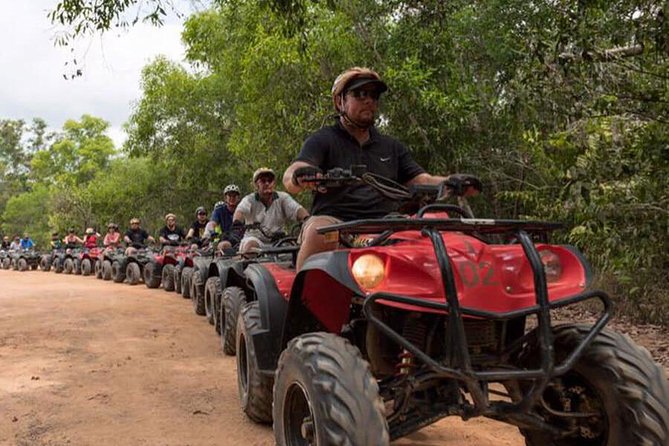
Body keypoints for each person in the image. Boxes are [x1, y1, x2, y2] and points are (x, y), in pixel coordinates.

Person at [283, 67, 477, 270]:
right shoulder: (323, 139)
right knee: (318, 231)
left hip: (386, 223)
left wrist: (451, 182)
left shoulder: (391, 146)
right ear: (339, 101)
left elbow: (421, 179)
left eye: (374, 95)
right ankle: (303, 299)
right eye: (360, 94)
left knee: (439, 231)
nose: (369, 100)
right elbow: (293, 173)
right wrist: (300, 176)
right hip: (337, 223)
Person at [234, 167, 309, 255]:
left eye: (270, 180)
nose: (267, 183)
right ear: (256, 185)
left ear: (274, 183)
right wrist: (237, 222)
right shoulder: (249, 199)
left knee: (296, 250)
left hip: (278, 240)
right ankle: (247, 267)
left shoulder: (283, 198)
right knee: (251, 247)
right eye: (263, 181)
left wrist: (308, 219)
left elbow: (296, 209)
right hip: (255, 238)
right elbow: (240, 211)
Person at [206, 184, 242, 252]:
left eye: (234, 196)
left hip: (242, 239)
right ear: (225, 198)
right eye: (229, 196)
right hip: (226, 239)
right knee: (224, 245)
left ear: (238, 198)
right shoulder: (219, 210)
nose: (232, 198)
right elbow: (212, 223)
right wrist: (212, 232)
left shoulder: (243, 209)